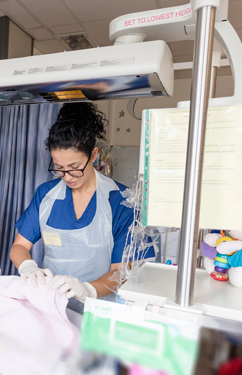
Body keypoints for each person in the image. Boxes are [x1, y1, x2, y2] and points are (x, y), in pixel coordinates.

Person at [9, 102, 154, 312]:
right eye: (59, 168)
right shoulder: (46, 195)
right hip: (52, 307)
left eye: (75, 168)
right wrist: (27, 266)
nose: (67, 177)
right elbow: (20, 247)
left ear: (93, 155)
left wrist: (87, 290)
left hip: (98, 310)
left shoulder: (121, 202)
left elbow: (122, 272)